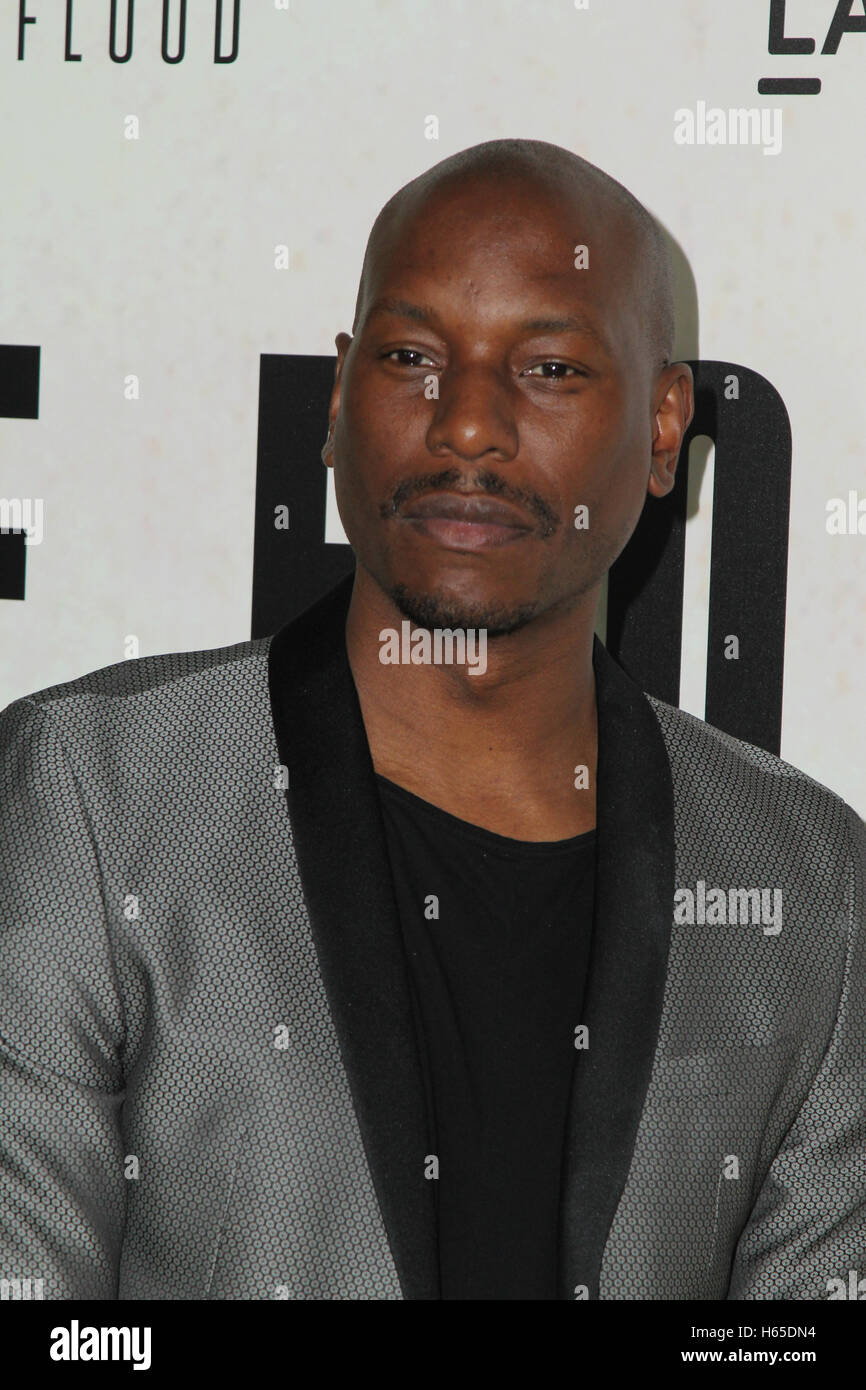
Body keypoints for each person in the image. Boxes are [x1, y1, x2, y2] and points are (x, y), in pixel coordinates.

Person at [1, 139, 863, 1301]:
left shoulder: (806, 881)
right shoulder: (94, 793)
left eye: (548, 368)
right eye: (411, 357)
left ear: (664, 429)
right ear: (340, 394)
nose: (464, 425)